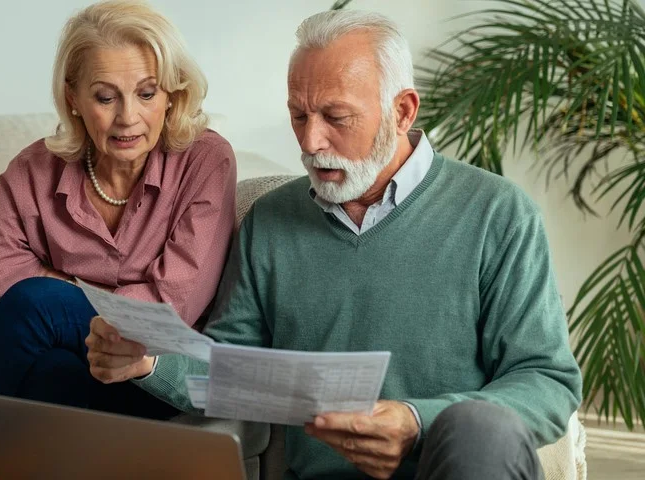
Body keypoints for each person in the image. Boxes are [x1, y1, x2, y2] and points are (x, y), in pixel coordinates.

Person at [86, 9, 582, 480]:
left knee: (481, 426)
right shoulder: (271, 222)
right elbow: (231, 370)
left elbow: (546, 380)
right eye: (298, 116)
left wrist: (417, 421)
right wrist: (148, 360)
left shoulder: (498, 214)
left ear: (402, 111)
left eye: (335, 117)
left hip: (449, 466)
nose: (311, 141)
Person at [0, 0, 238, 461]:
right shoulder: (31, 173)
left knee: (33, 301)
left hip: (154, 371)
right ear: (74, 97)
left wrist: (54, 285)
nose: (128, 117)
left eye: (146, 93)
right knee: (50, 371)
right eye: (105, 96)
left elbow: (171, 304)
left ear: (171, 95)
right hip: (80, 374)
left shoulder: (205, 159)